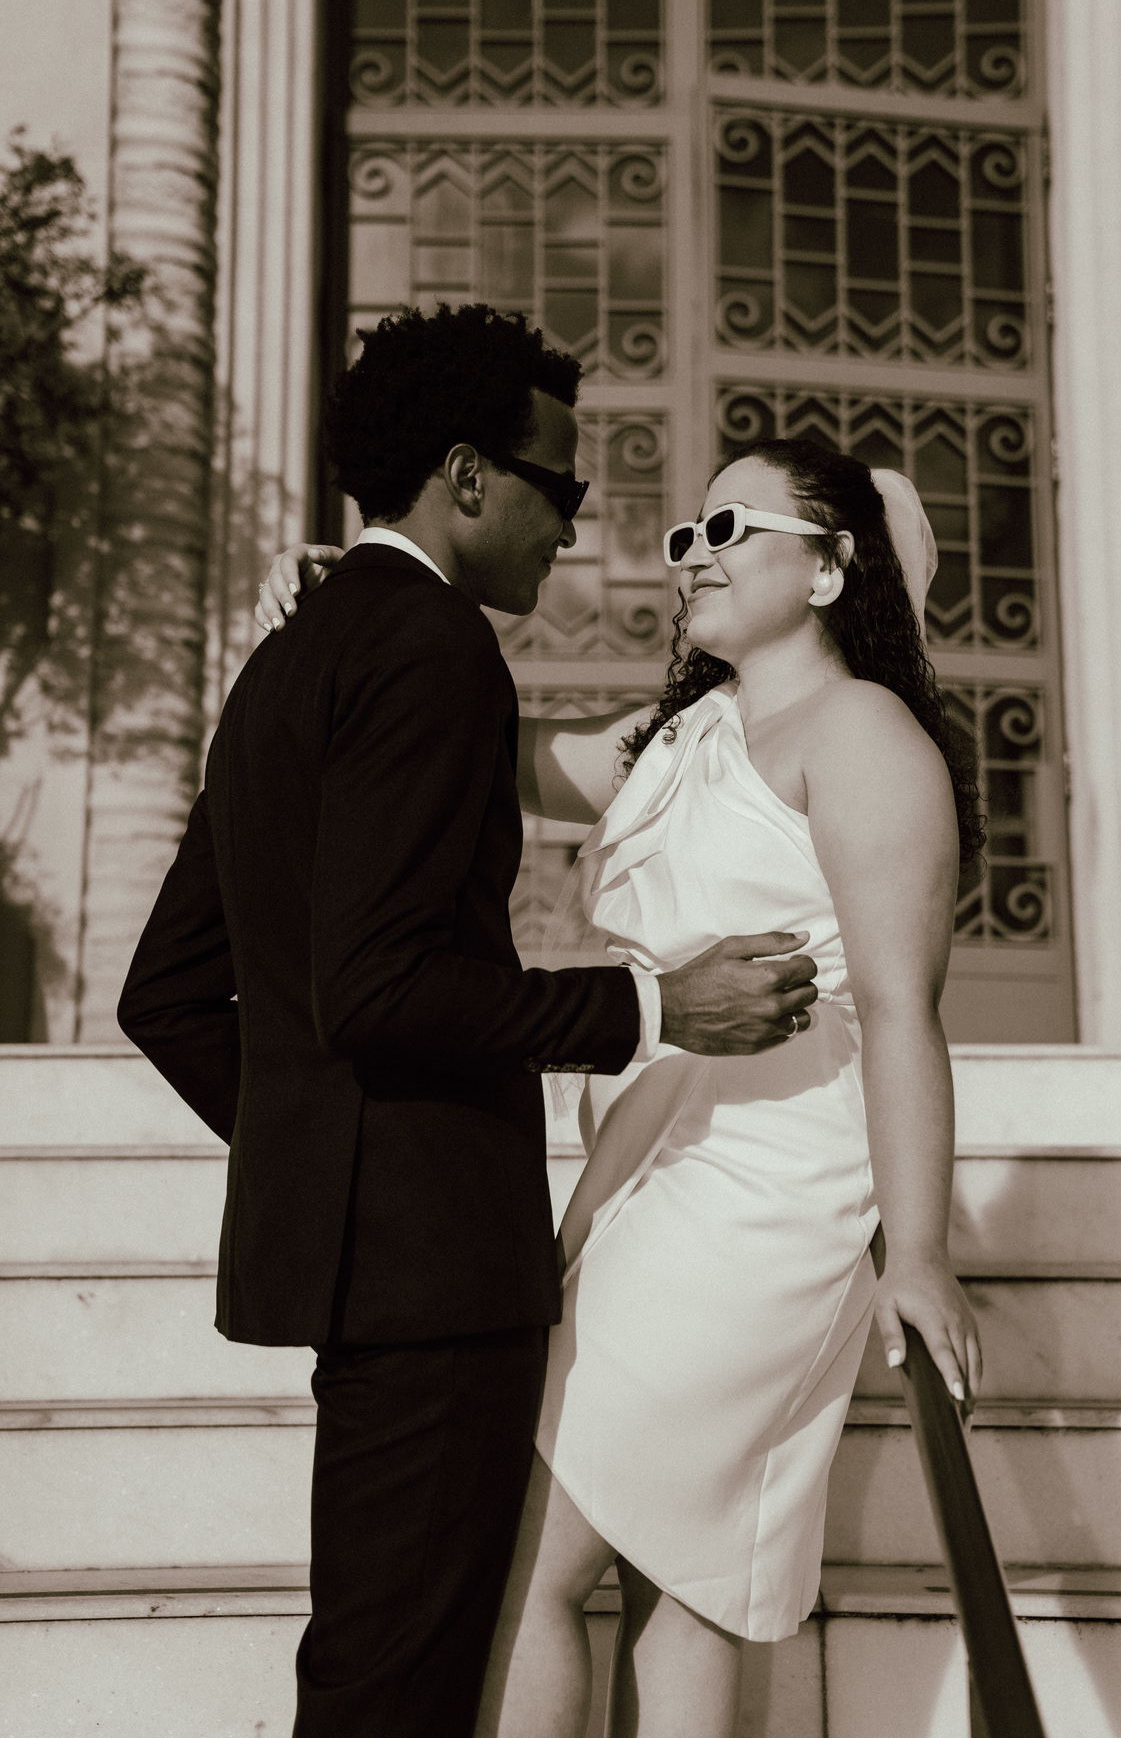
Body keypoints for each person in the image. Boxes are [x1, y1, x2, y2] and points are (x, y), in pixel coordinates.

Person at [117, 304, 821, 1738]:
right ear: (468, 476)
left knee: (368, 1665)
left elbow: (168, 993)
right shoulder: (433, 649)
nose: (576, 524)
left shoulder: (290, 658)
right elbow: (380, 986)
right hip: (437, 1272)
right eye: (561, 485)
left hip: (367, 1259)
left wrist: (329, 1159)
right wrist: (656, 1002)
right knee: (397, 1687)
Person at [258, 433, 985, 1738]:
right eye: (686, 534)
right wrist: (346, 627)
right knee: (684, 1582)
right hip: (644, 1166)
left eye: (730, 531)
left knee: (532, 1556)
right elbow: (487, 750)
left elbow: (898, 1009)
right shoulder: (677, 734)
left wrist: (921, 1253)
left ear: (829, 568)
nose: (691, 555)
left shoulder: (866, 735)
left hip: (764, 1191)